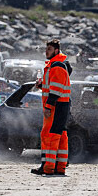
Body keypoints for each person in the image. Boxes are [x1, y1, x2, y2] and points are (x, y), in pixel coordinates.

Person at [32, 39, 73, 176]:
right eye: (46, 49)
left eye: (49, 49)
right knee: (59, 136)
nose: (46, 52)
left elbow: (56, 89)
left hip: (56, 106)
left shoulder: (56, 66)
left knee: (50, 136)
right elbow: (54, 86)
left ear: (56, 51)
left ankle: (48, 167)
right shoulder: (58, 65)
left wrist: (48, 106)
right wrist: (42, 85)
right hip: (62, 105)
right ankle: (59, 167)